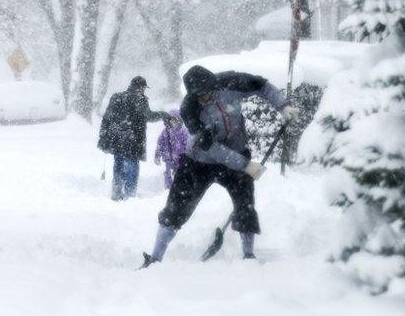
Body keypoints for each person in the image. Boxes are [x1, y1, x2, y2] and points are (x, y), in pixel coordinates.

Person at [141, 65, 299, 267]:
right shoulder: (189, 109)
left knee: (245, 204)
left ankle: (248, 256)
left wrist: (282, 106)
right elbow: (210, 147)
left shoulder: (231, 82)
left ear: (212, 86)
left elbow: (262, 85)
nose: (201, 100)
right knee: (176, 208)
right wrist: (245, 164)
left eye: (204, 94)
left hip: (236, 151)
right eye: (196, 96)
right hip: (198, 161)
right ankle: (155, 258)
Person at [98, 76, 171, 201]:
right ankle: (129, 195)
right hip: (133, 140)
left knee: (118, 165)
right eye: (143, 88)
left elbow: (107, 118)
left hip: (117, 138)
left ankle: (116, 194)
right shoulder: (140, 99)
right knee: (131, 166)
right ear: (141, 87)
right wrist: (163, 114)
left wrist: (103, 135)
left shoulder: (116, 97)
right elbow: (148, 116)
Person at [154, 110, 189, 190]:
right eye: (171, 120)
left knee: (180, 173)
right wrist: (157, 155)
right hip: (168, 157)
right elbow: (160, 144)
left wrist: (184, 154)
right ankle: (168, 188)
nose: (173, 122)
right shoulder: (165, 131)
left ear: (179, 120)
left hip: (180, 158)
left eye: (175, 120)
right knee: (168, 173)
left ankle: (180, 187)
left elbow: (187, 145)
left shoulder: (183, 132)